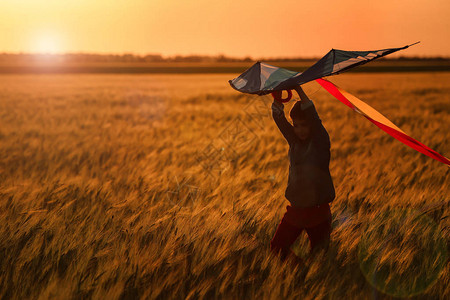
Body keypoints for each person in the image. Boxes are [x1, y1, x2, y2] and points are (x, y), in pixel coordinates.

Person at [270, 85, 335, 267]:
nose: (299, 130)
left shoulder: (320, 141)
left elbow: (314, 117)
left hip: (318, 212)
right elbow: (280, 119)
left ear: (312, 125)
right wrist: (278, 96)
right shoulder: (294, 141)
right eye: (296, 125)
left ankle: (315, 281)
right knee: (277, 246)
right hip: (296, 210)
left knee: (320, 258)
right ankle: (301, 273)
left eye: (304, 125)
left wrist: (298, 89)